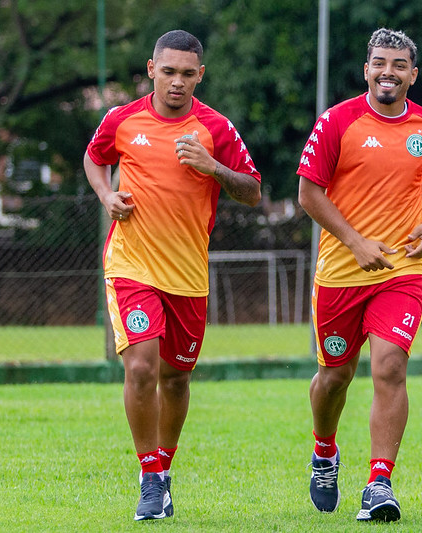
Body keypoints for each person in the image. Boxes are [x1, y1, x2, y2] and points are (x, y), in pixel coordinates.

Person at [83, 29, 261, 521]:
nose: (177, 82)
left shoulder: (216, 129)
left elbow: (252, 190)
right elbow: (94, 158)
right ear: (151, 70)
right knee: (141, 366)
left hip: (187, 276)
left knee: (176, 378)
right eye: (168, 72)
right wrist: (106, 196)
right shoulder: (122, 119)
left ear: (200, 75)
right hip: (132, 265)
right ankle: (149, 476)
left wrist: (211, 167)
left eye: (187, 74)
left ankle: (164, 468)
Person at [297, 28, 422, 522]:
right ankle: (324, 452)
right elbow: (308, 193)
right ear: (366, 70)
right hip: (341, 275)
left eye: (399, 64)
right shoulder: (337, 121)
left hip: (400, 271)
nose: (389, 71)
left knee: (390, 367)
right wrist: (356, 242)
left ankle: (379, 483)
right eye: (380, 63)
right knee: (334, 377)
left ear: (413, 74)